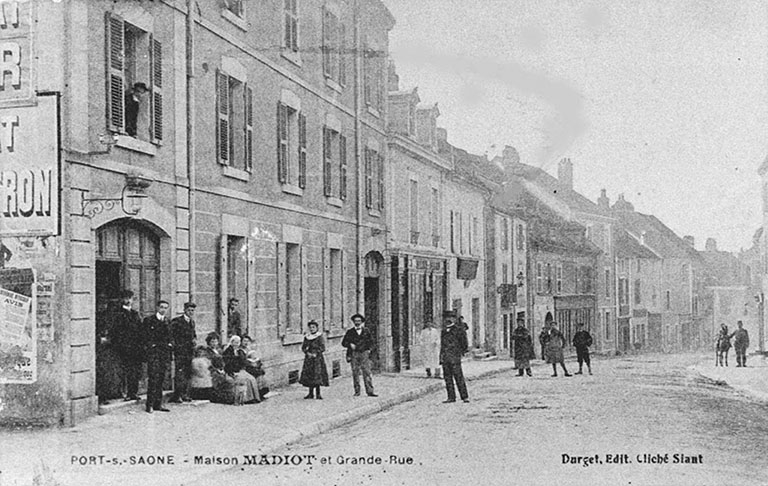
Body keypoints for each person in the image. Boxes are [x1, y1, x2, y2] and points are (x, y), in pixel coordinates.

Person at [111, 290, 144, 402]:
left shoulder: (135, 314)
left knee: (135, 371)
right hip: (123, 347)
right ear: (122, 299)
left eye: (130, 298)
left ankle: (133, 392)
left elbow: (140, 330)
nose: (128, 300)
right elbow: (115, 331)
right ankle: (122, 392)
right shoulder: (117, 314)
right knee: (123, 370)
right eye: (126, 298)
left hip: (135, 347)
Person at [142, 300, 173, 413]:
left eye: (165, 308)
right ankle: (149, 404)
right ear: (157, 308)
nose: (163, 310)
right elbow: (145, 336)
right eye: (161, 307)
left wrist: (170, 345)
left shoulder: (168, 321)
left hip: (164, 354)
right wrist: (151, 346)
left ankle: (158, 404)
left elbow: (171, 337)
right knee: (153, 378)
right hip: (154, 354)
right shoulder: (149, 320)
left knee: (161, 379)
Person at [341, 314, 377, 397]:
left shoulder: (366, 331)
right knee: (355, 373)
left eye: (359, 321)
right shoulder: (350, 332)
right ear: (353, 322)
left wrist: (369, 350)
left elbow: (372, 342)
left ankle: (370, 391)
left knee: (367, 372)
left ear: (362, 322)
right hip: (354, 354)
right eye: (356, 321)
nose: (357, 322)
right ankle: (357, 391)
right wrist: (350, 344)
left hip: (364, 353)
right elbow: (343, 343)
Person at [95, 299, 122, 404]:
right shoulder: (95, 316)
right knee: (100, 371)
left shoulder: (111, 317)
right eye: (100, 304)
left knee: (110, 372)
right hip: (99, 349)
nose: (103, 306)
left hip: (109, 348)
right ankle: (101, 396)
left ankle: (112, 393)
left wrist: (112, 339)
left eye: (105, 304)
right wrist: (99, 339)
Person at [440, 310, 469, 403]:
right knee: (447, 378)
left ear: (454, 319)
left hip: (455, 357)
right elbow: (442, 345)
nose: (448, 320)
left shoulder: (459, 330)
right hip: (445, 357)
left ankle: (464, 396)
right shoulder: (443, 331)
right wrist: (441, 357)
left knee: (458, 377)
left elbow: (464, 343)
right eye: (446, 318)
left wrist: (461, 352)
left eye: (451, 317)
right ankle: (451, 397)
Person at [170, 302, 197, 403]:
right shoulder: (177, 321)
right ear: (184, 310)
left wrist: (194, 340)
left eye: (192, 310)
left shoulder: (192, 322)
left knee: (187, 373)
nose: (191, 312)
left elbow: (193, 334)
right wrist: (175, 347)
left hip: (189, 351)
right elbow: (172, 335)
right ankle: (177, 395)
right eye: (189, 310)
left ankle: (184, 394)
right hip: (180, 351)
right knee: (179, 373)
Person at [299, 320, 330, 399]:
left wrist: (316, 353)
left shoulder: (319, 337)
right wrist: (307, 353)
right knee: (309, 375)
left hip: (317, 359)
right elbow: (303, 347)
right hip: (309, 359)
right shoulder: (307, 337)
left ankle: (318, 394)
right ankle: (310, 393)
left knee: (317, 375)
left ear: (316, 328)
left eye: (313, 327)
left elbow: (322, 347)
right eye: (310, 327)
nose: (312, 329)